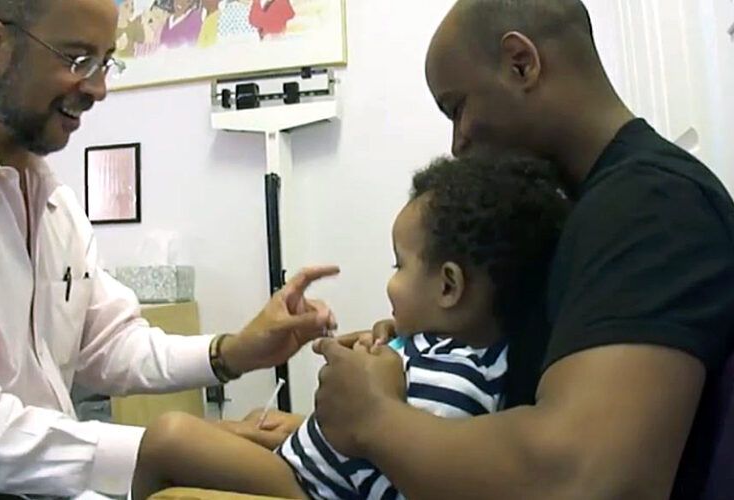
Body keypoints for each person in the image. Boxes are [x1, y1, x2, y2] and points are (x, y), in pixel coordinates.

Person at [308, 1, 734, 499]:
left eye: (457, 107)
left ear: (521, 63)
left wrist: (372, 418)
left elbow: (581, 479)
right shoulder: (582, 210)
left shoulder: (651, 204)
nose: (457, 143)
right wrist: (411, 350)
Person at [0, 0, 337, 496]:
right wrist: (158, 450)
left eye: (106, 62)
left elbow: (108, 343)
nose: (98, 88)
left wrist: (231, 352)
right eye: (78, 60)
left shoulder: (53, 202)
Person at [128, 153, 570, 500]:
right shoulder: (446, 349)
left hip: (315, 489)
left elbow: (403, 482)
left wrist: (340, 431)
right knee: (236, 424)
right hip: (313, 465)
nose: (391, 282)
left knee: (168, 437)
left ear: (449, 286)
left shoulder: (457, 382)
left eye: (399, 265)